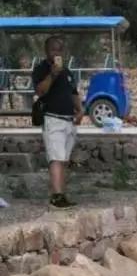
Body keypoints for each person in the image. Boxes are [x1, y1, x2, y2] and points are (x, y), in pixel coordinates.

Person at [32, 36, 83, 209]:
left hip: (69, 120)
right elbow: (40, 91)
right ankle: (56, 196)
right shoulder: (41, 69)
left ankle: (62, 194)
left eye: (60, 49)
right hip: (52, 118)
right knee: (55, 157)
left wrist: (80, 109)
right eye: (53, 49)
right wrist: (53, 74)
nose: (57, 53)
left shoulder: (67, 72)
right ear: (46, 51)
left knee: (64, 159)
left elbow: (73, 93)